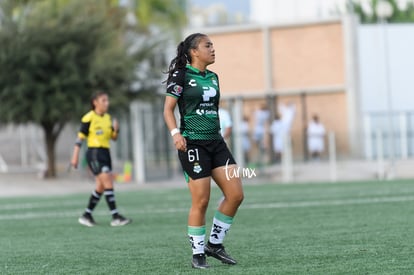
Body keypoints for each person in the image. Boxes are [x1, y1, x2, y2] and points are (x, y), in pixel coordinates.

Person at [163, 33, 244, 269]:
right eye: (207, 45)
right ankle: (198, 254)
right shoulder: (181, 75)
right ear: (194, 52)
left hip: (216, 143)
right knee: (201, 200)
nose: (213, 49)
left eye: (213, 45)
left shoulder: (214, 77)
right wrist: (175, 134)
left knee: (236, 194)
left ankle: (214, 244)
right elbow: (168, 109)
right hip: (193, 144)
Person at [71, 91, 131, 227]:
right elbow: (80, 138)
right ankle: (116, 217)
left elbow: (113, 138)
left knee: (100, 186)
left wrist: (116, 130)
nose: (107, 103)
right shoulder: (89, 118)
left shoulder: (107, 118)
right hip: (94, 153)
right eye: (103, 100)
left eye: (107, 100)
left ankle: (86, 215)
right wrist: (74, 157)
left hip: (105, 153)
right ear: (95, 102)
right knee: (108, 181)